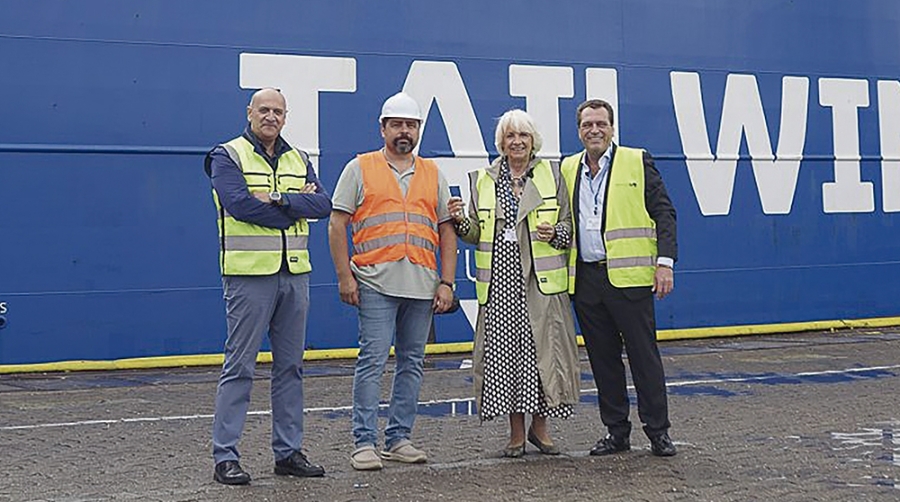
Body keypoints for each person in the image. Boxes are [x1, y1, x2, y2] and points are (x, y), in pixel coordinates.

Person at [205, 88, 332, 485]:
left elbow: (323, 205)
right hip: (248, 276)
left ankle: (288, 452)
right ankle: (225, 457)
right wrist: (294, 207)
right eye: (264, 109)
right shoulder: (226, 155)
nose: (271, 116)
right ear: (249, 112)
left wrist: (276, 198)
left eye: (278, 111)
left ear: (285, 116)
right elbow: (239, 205)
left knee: (291, 367)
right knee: (240, 366)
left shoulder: (299, 158)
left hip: (294, 274)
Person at [327, 92, 458, 471]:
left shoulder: (433, 173)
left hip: (422, 284)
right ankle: (364, 442)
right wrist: (344, 276)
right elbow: (337, 224)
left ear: (418, 130)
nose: (404, 131)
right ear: (383, 128)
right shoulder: (360, 168)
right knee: (372, 361)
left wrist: (446, 282)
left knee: (412, 363)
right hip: (374, 282)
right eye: (397, 125)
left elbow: (446, 231)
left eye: (411, 125)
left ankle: (399, 439)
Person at [451, 109, 580, 457]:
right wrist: (460, 221)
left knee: (542, 355)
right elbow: (476, 233)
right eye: (510, 136)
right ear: (501, 142)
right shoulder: (484, 179)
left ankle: (541, 428)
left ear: (533, 140)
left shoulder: (552, 174)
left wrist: (555, 233)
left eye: (523, 135)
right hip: (500, 285)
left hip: (541, 283)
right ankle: (516, 433)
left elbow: (569, 227)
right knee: (505, 359)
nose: (517, 142)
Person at [561, 99, 678, 457]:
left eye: (601, 124)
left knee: (644, 358)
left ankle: (658, 432)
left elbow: (664, 212)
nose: (594, 130)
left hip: (630, 280)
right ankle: (616, 432)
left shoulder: (637, 160)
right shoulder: (568, 167)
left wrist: (665, 262)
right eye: (587, 125)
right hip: (586, 281)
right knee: (603, 361)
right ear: (579, 130)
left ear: (612, 128)